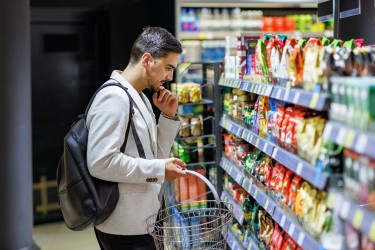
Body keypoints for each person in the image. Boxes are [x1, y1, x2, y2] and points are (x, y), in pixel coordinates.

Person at [86, 26, 187, 250]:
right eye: (168, 68)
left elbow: (153, 157)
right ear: (148, 59)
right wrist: (160, 170)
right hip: (124, 227)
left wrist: (168, 118)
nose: (170, 77)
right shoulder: (114, 98)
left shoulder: (138, 97)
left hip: (143, 220)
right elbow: (101, 163)